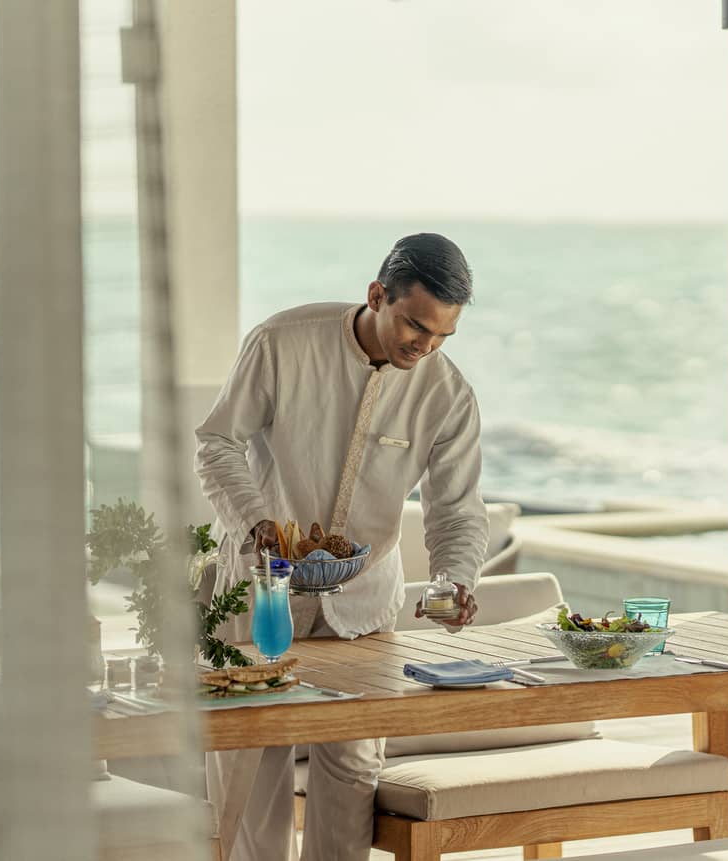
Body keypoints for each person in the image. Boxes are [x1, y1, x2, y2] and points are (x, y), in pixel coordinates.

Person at [194, 232, 488, 860]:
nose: (425, 346)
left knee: (352, 782)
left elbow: (457, 510)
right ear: (377, 295)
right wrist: (256, 525)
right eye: (415, 326)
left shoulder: (447, 394)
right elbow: (217, 444)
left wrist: (455, 579)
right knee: (250, 781)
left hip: (363, 612)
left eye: (443, 335)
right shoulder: (282, 343)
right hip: (260, 595)